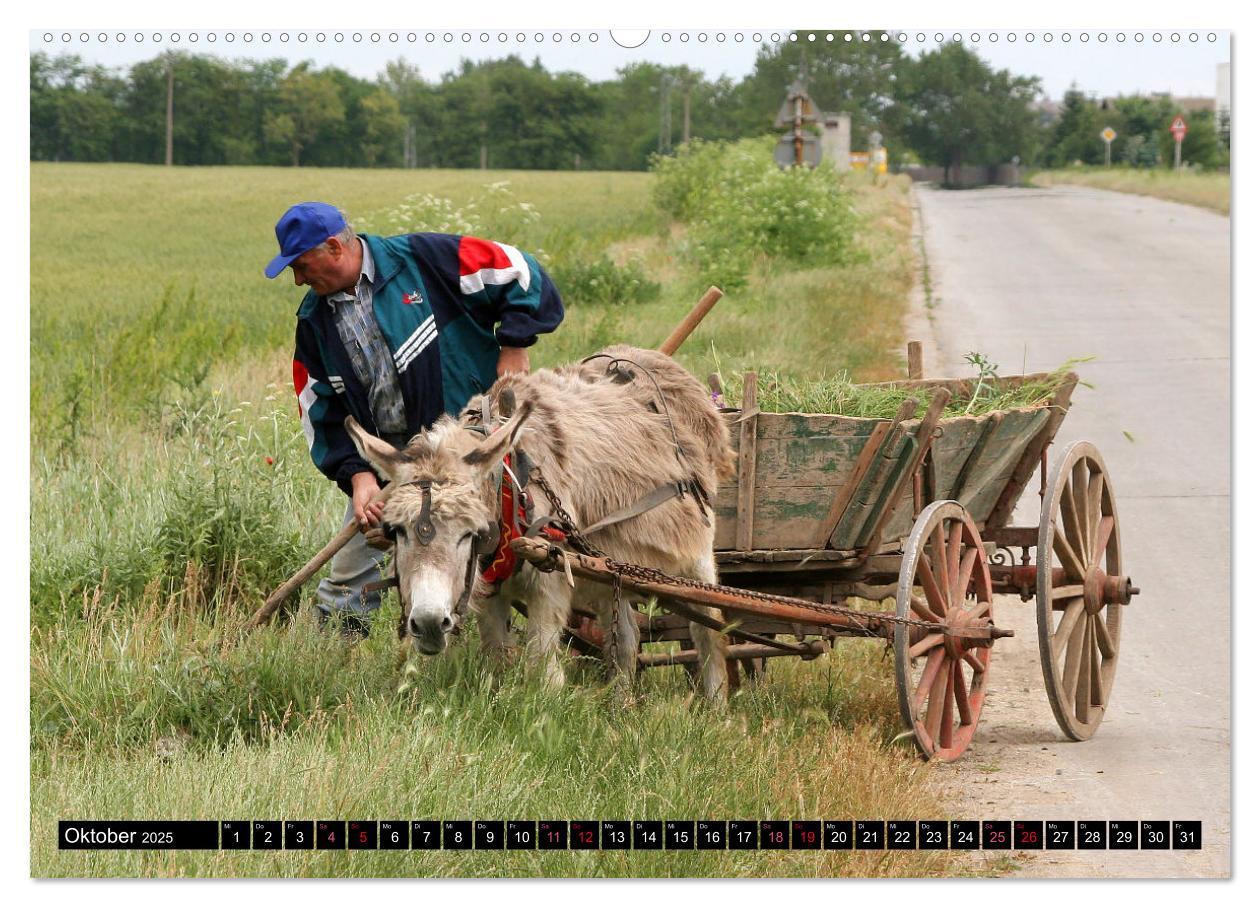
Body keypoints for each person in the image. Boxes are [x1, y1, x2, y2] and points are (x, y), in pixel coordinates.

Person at [264, 201, 565, 636]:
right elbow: (320, 410)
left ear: (333, 247)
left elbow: (521, 271)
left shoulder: (424, 261)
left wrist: (515, 343)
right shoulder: (314, 322)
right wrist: (358, 478)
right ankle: (334, 663)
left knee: (519, 547)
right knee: (348, 578)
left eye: (301, 264)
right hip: (397, 466)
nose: (297, 279)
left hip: (475, 452)